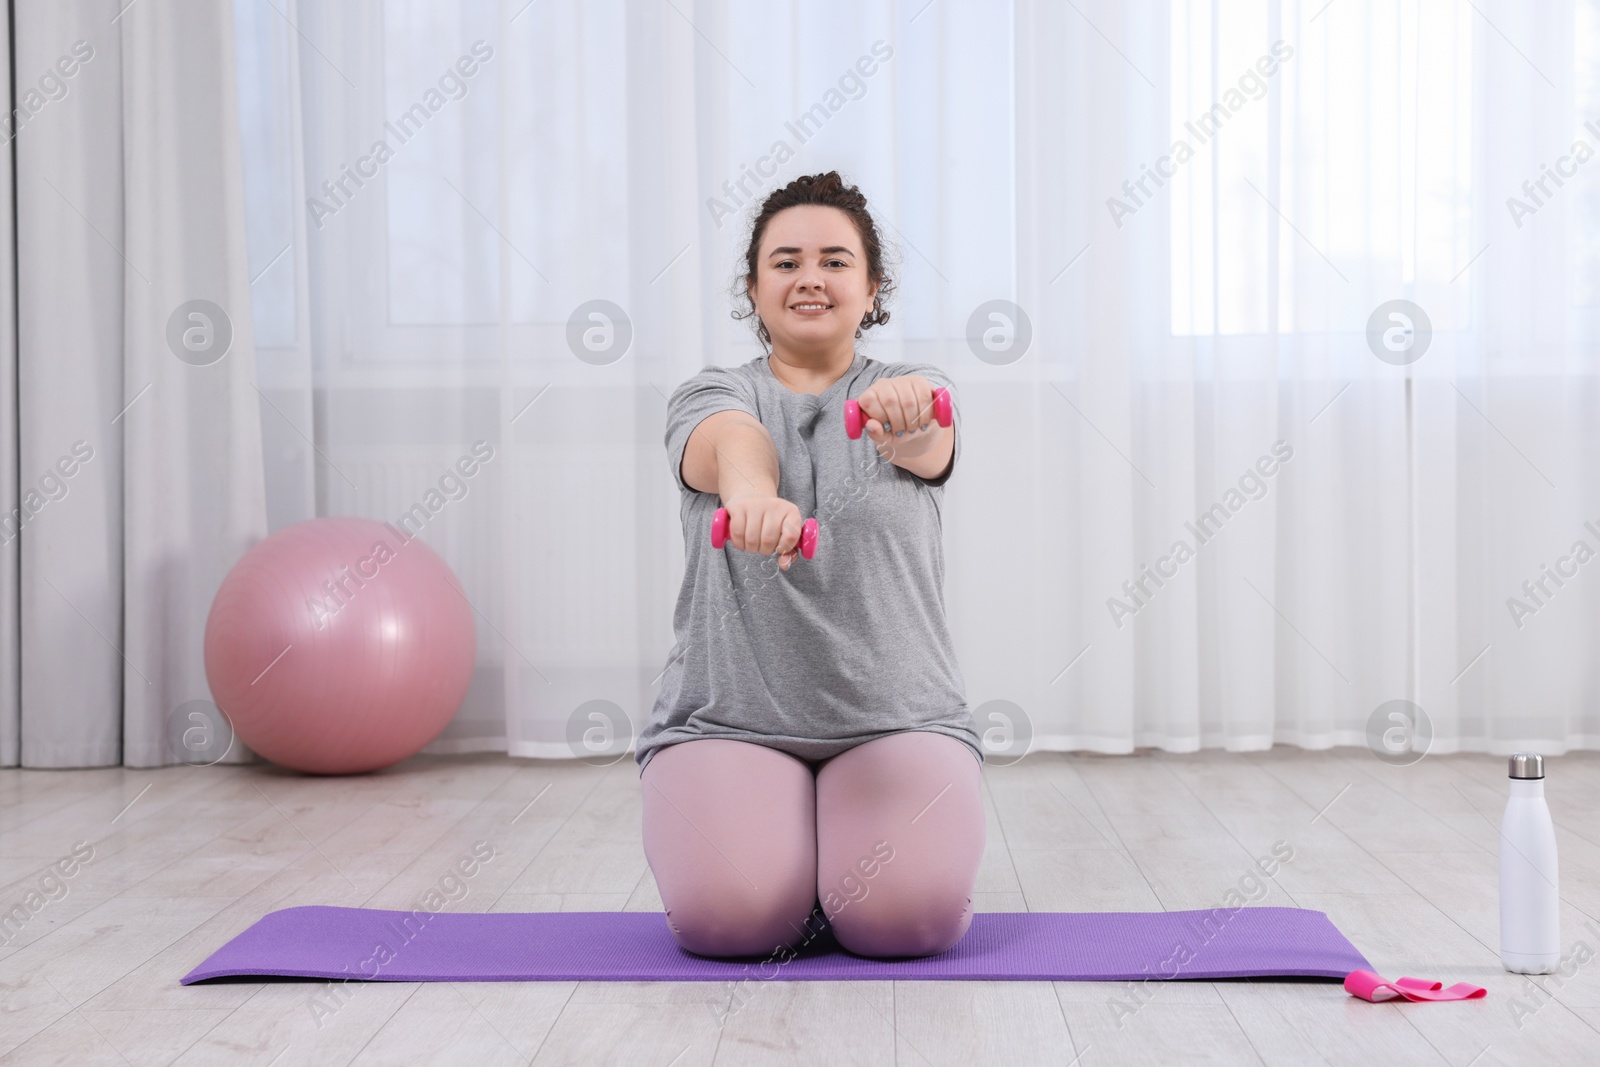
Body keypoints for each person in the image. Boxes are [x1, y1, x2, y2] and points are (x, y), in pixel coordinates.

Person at [637, 171, 984, 960]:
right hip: (725, 722)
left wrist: (911, 417)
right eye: (785, 261)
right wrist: (756, 496)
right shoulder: (712, 392)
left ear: (871, 289)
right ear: (754, 289)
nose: (810, 278)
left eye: (834, 260)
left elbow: (929, 439)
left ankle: (832, 868)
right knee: (734, 922)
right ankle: (796, 866)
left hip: (899, 720)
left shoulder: (912, 392)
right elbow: (730, 445)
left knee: (906, 923)